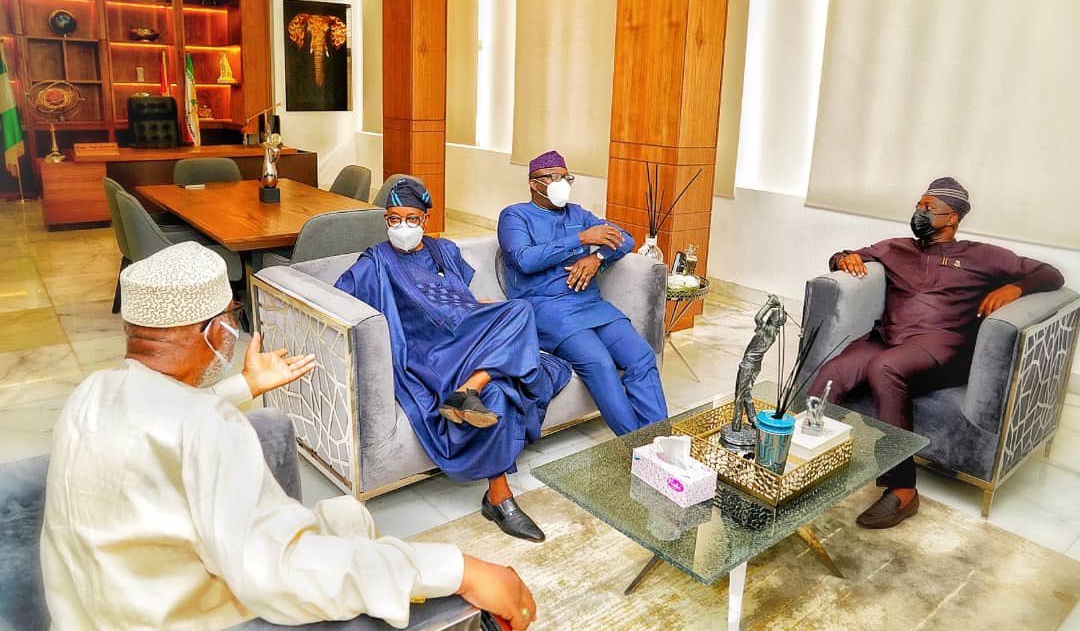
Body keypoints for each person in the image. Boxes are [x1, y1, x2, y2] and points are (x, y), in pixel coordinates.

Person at [42, 242, 537, 631]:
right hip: (186, 617)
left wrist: (246, 385)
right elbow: (279, 570)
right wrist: (460, 569)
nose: (233, 329)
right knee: (355, 552)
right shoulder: (210, 429)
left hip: (93, 609)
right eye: (232, 316)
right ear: (212, 332)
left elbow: (164, 423)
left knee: (344, 515)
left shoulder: (93, 390)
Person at [807, 177, 1064, 529]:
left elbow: (1051, 274)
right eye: (919, 206)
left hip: (943, 345)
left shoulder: (982, 255)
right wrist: (843, 257)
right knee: (832, 373)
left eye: (929, 208)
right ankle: (802, 454)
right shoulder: (896, 248)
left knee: (885, 367)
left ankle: (902, 488)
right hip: (889, 337)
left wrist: (1016, 288)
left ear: (952, 217)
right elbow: (843, 257)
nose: (919, 212)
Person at [335, 178, 571, 543]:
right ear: (386, 220)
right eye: (394, 219)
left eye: (411, 219)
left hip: (466, 333)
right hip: (429, 351)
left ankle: (472, 402)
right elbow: (337, 300)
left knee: (512, 335)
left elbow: (459, 298)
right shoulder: (375, 262)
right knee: (516, 339)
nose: (402, 227)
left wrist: (483, 310)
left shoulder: (444, 250)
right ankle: (475, 406)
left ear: (425, 219)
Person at [497, 150, 668, 436]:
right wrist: (580, 239)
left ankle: (658, 441)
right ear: (533, 183)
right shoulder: (515, 215)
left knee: (641, 357)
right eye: (553, 177)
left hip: (590, 303)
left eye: (566, 177)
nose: (561, 183)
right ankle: (636, 446)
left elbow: (625, 239)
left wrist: (597, 258)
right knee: (600, 363)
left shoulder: (577, 213)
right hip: (548, 310)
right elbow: (524, 260)